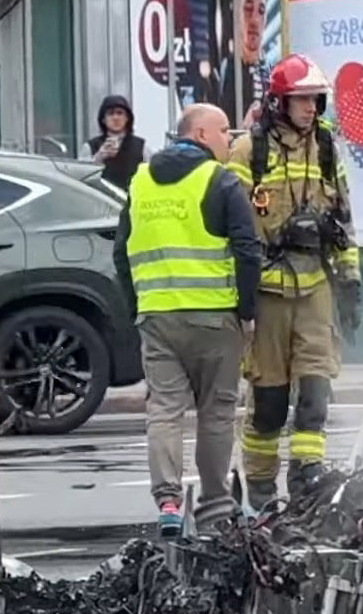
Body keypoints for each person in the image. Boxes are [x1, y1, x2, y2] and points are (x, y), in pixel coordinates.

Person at [111, 103, 260, 536]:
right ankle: (216, 503)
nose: (229, 140)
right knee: (216, 412)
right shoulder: (220, 180)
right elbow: (247, 250)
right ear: (199, 135)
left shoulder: (140, 183)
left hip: (158, 317)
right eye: (223, 132)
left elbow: (121, 253)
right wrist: (248, 313)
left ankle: (169, 503)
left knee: (164, 411)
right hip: (215, 317)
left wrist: (137, 305)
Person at [227, 55, 360, 507]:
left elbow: (344, 217)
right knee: (268, 401)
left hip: (316, 286)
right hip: (268, 288)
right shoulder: (249, 150)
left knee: (316, 394)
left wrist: (351, 281)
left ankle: (308, 482)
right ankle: (262, 492)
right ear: (280, 101)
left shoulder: (325, 146)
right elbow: (233, 226)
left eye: (315, 98)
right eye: (302, 98)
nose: (310, 107)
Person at [87, 95, 146, 191]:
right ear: (103, 119)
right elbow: (80, 178)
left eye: (120, 113)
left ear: (127, 118)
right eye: (111, 114)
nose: (115, 118)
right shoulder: (90, 147)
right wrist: (99, 157)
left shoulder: (142, 147)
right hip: (101, 200)